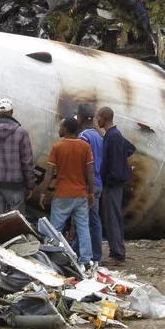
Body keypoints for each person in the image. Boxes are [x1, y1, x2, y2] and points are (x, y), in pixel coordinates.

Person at [37, 117, 95, 265]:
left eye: (61, 126)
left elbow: (49, 173)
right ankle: (86, 260)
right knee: (83, 228)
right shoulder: (85, 146)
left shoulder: (57, 147)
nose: (59, 128)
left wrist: (43, 192)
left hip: (62, 195)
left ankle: (52, 258)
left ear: (66, 129)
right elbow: (90, 171)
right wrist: (91, 192)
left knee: (55, 229)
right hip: (80, 194)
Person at [96, 106, 135, 267]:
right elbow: (130, 148)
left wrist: (110, 179)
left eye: (98, 117)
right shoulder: (113, 135)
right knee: (113, 217)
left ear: (105, 118)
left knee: (112, 218)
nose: (97, 120)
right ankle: (117, 251)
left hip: (112, 185)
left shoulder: (113, 137)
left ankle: (117, 254)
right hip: (114, 184)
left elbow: (116, 165)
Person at [76, 103, 104, 263]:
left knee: (81, 220)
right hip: (98, 182)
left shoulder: (84, 137)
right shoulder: (98, 137)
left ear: (79, 118)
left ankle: (79, 254)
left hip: (88, 184)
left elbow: (84, 163)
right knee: (95, 220)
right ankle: (97, 256)